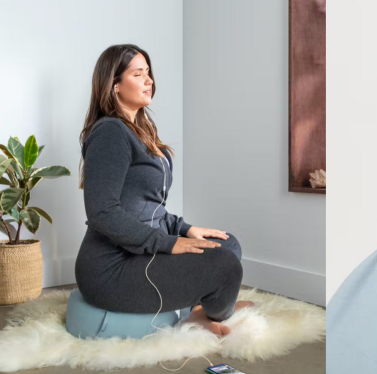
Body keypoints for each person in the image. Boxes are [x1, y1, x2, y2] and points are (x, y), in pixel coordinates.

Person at [75, 44, 253, 337]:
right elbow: (101, 213)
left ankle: (198, 311)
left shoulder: (139, 131)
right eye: (138, 74)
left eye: (149, 73)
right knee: (225, 266)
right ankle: (212, 311)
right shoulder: (110, 133)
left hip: (143, 251)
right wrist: (169, 243)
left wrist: (186, 229)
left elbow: (147, 207)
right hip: (113, 268)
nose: (149, 81)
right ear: (115, 84)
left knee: (227, 245)